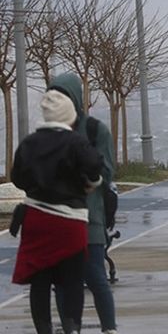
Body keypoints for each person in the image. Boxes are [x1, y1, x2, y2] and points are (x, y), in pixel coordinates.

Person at [11, 90, 103, 334]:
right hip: (69, 221)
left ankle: (44, 329)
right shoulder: (76, 142)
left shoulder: (29, 143)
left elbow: (17, 177)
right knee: (72, 280)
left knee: (39, 281)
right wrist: (89, 184)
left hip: (36, 219)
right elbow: (94, 167)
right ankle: (72, 327)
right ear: (69, 117)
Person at [50, 73, 119, 334]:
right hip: (58, 218)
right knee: (62, 281)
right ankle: (70, 329)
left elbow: (108, 171)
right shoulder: (50, 133)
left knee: (95, 276)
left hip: (89, 217)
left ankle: (109, 328)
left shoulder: (94, 130)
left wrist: (83, 176)